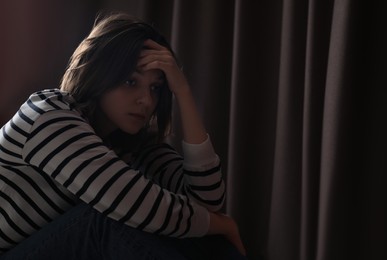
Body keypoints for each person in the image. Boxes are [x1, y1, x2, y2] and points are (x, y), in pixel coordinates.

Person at [0, 12, 246, 259]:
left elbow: (207, 203)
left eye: (155, 88)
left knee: (199, 232)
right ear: (100, 73)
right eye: (131, 82)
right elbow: (127, 201)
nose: (146, 100)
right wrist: (222, 224)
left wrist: (182, 91)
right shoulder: (48, 114)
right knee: (109, 219)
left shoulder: (135, 147)